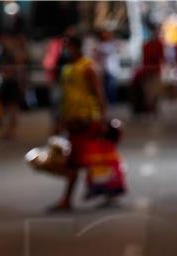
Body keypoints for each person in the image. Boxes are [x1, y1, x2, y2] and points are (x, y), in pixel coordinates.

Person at [51, 36, 107, 212]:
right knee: (84, 159)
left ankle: (67, 199)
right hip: (72, 120)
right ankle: (106, 190)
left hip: (86, 119)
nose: (66, 50)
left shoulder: (87, 67)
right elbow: (64, 98)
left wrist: (102, 117)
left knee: (76, 161)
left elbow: (98, 93)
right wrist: (60, 120)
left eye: (69, 47)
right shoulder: (67, 69)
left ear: (77, 47)